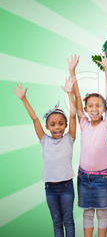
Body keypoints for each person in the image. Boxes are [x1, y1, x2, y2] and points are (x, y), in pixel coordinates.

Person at [14, 77, 77, 237]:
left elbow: (72, 115)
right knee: (56, 221)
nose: (57, 127)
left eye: (61, 123)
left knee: (68, 220)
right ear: (47, 127)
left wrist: (70, 94)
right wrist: (24, 99)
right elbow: (35, 118)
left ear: (66, 125)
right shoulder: (44, 140)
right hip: (50, 188)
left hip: (67, 187)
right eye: (53, 124)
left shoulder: (69, 139)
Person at [68, 54, 107, 237]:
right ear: (86, 109)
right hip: (84, 176)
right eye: (90, 106)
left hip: (101, 178)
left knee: (102, 212)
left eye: (99, 106)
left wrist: (106, 70)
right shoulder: (83, 123)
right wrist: (72, 71)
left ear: (104, 109)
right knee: (87, 213)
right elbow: (78, 95)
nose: (94, 109)